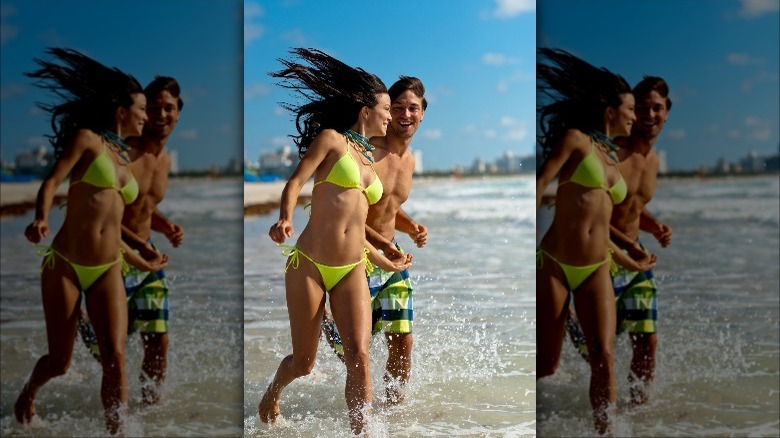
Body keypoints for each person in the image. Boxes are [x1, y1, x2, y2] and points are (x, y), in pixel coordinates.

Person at [257, 48, 412, 435]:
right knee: (304, 362)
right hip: (308, 264)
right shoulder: (332, 142)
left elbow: (357, 224)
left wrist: (384, 256)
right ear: (366, 110)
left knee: (359, 356)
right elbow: (295, 182)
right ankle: (271, 395)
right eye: (387, 108)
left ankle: (362, 432)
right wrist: (285, 218)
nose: (391, 116)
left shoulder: (369, 160)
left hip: (351, 268)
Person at [14, 48, 167, 434]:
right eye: (141, 109)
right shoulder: (88, 141)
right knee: (59, 362)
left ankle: (117, 430)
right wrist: (40, 217)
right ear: (121, 110)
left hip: (108, 267)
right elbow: (52, 182)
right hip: (65, 264)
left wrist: (141, 254)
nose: (146, 116)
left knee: (115, 357)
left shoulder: (122, 157)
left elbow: (111, 222)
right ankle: (28, 394)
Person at [535, 48, 655, 435]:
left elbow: (600, 224)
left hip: (597, 266)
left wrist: (628, 256)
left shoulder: (612, 157)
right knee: (547, 363)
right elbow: (539, 186)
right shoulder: (577, 141)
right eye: (631, 109)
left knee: (603, 357)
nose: (635, 117)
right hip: (554, 262)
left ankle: (607, 431)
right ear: (610, 110)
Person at [321, 76, 428, 404]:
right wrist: (381, 244)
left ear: (423, 113)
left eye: (413, 108)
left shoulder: (409, 161)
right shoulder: (370, 153)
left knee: (403, 340)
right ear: (386, 111)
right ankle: (328, 322)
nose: (405, 114)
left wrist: (411, 227)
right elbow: (351, 211)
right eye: (398, 108)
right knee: (352, 350)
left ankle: (395, 410)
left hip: (392, 260)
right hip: (357, 256)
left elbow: (387, 206)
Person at [608, 76, 673, 406]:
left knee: (647, 341)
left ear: (667, 112)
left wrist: (654, 225)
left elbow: (633, 206)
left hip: (637, 262)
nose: (649, 114)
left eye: (657, 108)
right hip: (603, 258)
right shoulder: (616, 151)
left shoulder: (655, 160)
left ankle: (637, 410)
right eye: (643, 107)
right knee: (598, 347)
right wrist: (626, 244)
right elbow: (595, 212)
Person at [120, 76, 185, 405]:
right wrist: (140, 244)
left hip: (148, 262)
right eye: (154, 107)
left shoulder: (165, 160)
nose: (161, 114)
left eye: (168, 108)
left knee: (158, 341)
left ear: (178, 113)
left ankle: (150, 410)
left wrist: (165, 226)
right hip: (112, 258)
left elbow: (143, 207)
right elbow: (106, 212)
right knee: (110, 346)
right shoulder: (125, 151)